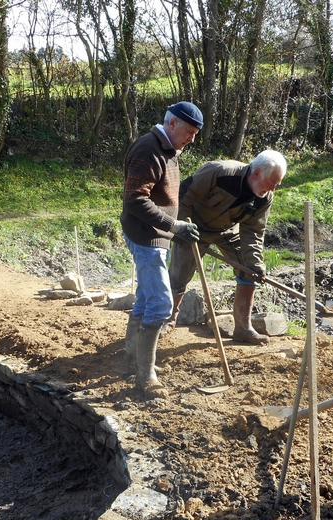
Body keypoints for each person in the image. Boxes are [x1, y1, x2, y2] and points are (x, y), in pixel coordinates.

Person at [120, 101, 203, 400]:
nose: (191, 139)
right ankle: (145, 375)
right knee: (161, 304)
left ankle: (133, 355)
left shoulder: (168, 150)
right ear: (172, 124)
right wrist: (174, 225)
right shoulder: (148, 149)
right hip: (146, 237)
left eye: (195, 134)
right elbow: (135, 200)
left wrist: (173, 227)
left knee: (146, 296)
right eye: (189, 132)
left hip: (156, 235)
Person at [165, 150, 287, 345]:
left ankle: (243, 328)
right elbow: (182, 196)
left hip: (227, 231)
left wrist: (254, 263)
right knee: (180, 273)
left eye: (277, 184)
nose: (273, 189)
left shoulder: (265, 197)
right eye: (272, 182)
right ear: (257, 174)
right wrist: (182, 227)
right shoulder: (219, 172)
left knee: (248, 269)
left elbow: (253, 231)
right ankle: (168, 319)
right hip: (193, 227)